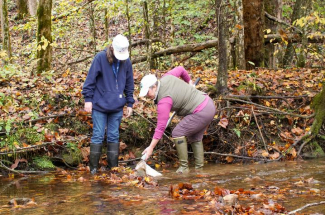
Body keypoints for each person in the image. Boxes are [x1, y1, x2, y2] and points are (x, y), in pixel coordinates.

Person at [139, 66, 216, 173]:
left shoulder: (164, 100)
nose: (147, 96)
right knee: (195, 137)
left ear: (154, 87)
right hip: (208, 105)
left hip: (201, 110)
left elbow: (161, 127)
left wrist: (151, 147)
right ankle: (199, 171)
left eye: (147, 92)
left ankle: (184, 169)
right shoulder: (167, 77)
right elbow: (180, 69)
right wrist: (189, 82)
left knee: (178, 132)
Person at [82, 34, 135, 174]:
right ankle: (93, 170)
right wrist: (88, 99)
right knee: (98, 135)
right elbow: (90, 80)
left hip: (117, 106)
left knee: (113, 136)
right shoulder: (100, 58)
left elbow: (129, 83)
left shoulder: (126, 62)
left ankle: (113, 169)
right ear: (112, 48)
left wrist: (130, 103)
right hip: (99, 105)